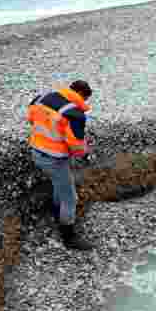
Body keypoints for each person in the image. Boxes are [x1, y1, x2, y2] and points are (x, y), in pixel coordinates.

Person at [26, 80, 95, 251]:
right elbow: (76, 146)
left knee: (59, 183)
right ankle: (68, 237)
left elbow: (31, 119)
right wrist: (86, 154)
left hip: (36, 151)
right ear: (83, 96)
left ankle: (56, 209)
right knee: (70, 198)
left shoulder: (40, 99)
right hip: (54, 160)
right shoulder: (75, 114)